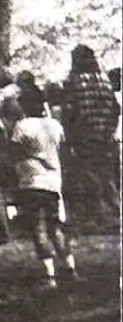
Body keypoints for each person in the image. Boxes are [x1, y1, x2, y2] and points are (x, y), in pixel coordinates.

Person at [5, 76, 74, 288]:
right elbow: (63, 150)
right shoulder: (55, 125)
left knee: (38, 228)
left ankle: (50, 276)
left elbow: (13, 154)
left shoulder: (22, 126)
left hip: (31, 181)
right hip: (53, 181)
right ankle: (70, 268)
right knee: (56, 227)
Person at [57, 44, 119, 230]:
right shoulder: (104, 81)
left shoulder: (73, 81)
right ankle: (115, 212)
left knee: (88, 176)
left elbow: (70, 111)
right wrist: (108, 130)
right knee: (106, 175)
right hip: (105, 136)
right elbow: (115, 109)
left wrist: (71, 136)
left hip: (84, 136)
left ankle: (96, 217)